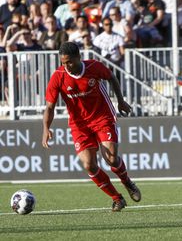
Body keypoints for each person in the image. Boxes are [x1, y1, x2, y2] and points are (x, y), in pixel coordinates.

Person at [42, 42, 141, 212]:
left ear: (78, 58)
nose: (66, 66)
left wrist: (121, 100)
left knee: (110, 158)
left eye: (69, 62)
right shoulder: (58, 77)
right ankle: (117, 198)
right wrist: (45, 128)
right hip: (79, 125)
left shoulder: (94, 67)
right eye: (63, 63)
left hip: (102, 117)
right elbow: (49, 107)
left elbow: (112, 78)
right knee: (89, 164)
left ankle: (127, 182)